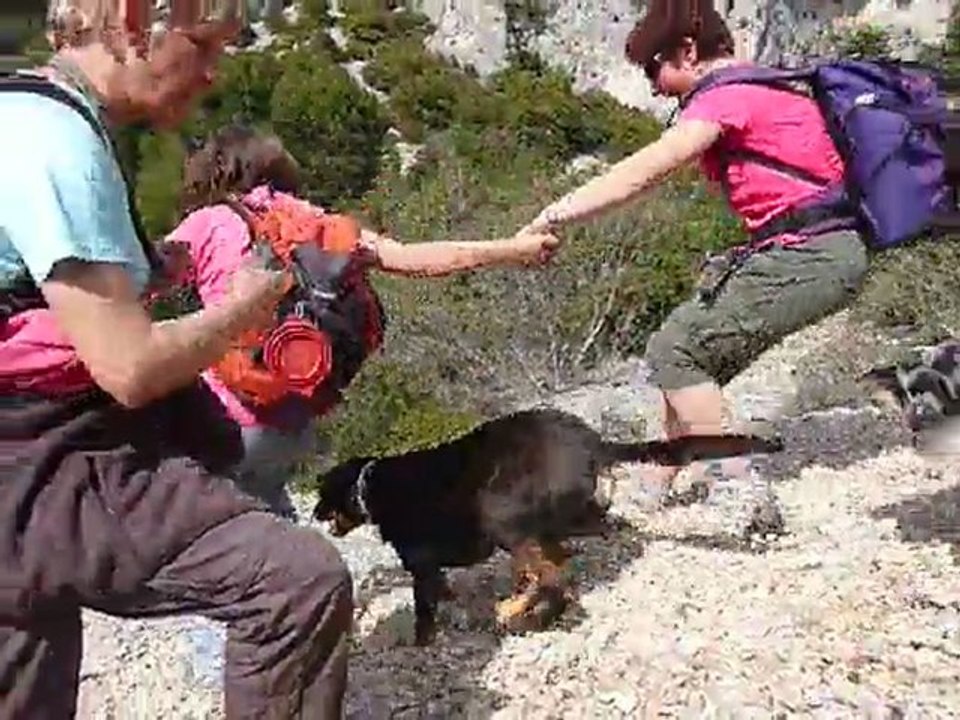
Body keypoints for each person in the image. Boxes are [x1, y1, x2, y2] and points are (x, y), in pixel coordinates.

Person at [0, 1, 549, 716]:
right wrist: (241, 312)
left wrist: (151, 270)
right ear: (137, 24)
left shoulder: (35, 112)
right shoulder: (57, 145)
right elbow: (129, 365)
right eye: (207, 48)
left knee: (27, 641)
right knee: (297, 581)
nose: (212, 74)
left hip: (41, 452)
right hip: (46, 448)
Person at [521, 0, 869, 540]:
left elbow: (644, 171)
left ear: (687, 51)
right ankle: (656, 480)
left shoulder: (729, 96)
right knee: (681, 345)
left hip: (813, 252)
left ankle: (740, 492)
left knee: (675, 349)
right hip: (812, 249)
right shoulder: (771, 85)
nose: (655, 87)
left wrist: (555, 212)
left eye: (653, 68)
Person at [158, 123, 560, 518]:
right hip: (294, 420)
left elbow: (139, 281)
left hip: (224, 417)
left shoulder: (208, 222)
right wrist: (514, 249)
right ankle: (300, 571)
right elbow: (418, 258)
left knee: (183, 519)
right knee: (265, 506)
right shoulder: (313, 221)